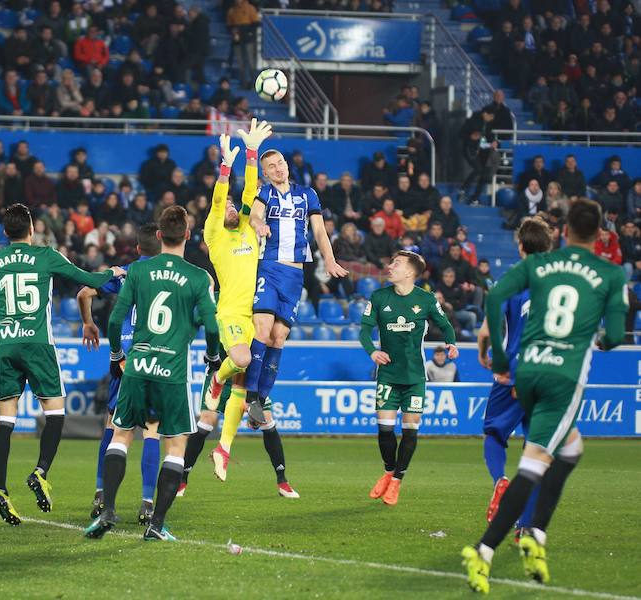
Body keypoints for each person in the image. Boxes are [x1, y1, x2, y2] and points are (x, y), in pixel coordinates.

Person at [462, 199, 628, 593]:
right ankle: (485, 550)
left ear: (565, 230)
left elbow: (495, 297)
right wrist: (600, 341)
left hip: (527, 370)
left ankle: (535, 535)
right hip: (562, 377)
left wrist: (499, 358)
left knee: (569, 449)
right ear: (601, 234)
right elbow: (617, 336)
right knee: (537, 462)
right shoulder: (610, 273)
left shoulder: (538, 266)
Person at [0, 204, 124, 526]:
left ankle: (0, 489)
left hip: (7, 344)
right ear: (32, 229)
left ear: (5, 232)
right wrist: (111, 273)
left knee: (5, 418)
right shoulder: (46, 256)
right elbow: (85, 278)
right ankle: (41, 471)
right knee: (55, 413)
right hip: (39, 345)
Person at [84, 205, 221, 542]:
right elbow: (212, 326)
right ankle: (155, 524)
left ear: (159, 236)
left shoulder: (137, 273)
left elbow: (115, 319)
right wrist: (213, 357)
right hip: (172, 371)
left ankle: (108, 509)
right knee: (174, 444)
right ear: (188, 235)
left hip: (138, 367)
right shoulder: (198, 277)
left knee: (120, 434)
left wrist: (117, 353)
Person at [185, 123, 298, 497]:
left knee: (242, 386)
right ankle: (217, 376)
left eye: (236, 206)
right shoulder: (215, 234)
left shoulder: (248, 230)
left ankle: (224, 449)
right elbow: (221, 198)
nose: (232, 207)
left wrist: (253, 153)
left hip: (252, 315)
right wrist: (226, 166)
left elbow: (250, 191)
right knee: (240, 361)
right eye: (228, 207)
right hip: (230, 316)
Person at [245, 135, 348, 425]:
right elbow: (254, 216)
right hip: (269, 267)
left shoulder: (308, 194)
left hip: (294, 274)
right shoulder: (265, 193)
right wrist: (259, 225)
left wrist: (329, 259)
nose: (278, 169)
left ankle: (261, 401)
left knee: (279, 337)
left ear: (287, 166)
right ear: (265, 173)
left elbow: (319, 232)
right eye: (272, 166)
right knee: (262, 330)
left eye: (281, 164)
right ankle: (250, 395)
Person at [359, 251, 458, 505]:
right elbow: (364, 331)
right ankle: (388, 471)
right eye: (391, 262)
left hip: (415, 376)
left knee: (410, 430)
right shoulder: (379, 297)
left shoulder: (425, 299)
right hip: (388, 375)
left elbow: (446, 325)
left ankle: (396, 481)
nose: (390, 266)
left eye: (396, 264)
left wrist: (451, 344)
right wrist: (373, 351)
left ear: (410, 273)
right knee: (384, 430)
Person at [78, 224, 161, 524]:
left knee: (114, 427)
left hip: (124, 357)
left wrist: (88, 323)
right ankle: (148, 503)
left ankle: (102, 494)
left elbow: (84, 292)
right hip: (156, 359)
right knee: (152, 428)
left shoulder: (124, 273)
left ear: (137, 249)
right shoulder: (172, 273)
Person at [475, 218, 551, 536]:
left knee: (494, 435)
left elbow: (488, 327)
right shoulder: (562, 282)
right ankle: (527, 527)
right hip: (551, 372)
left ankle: (500, 481)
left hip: (515, 369)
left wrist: (483, 352)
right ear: (548, 246)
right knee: (536, 450)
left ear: (520, 246)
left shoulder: (511, 281)